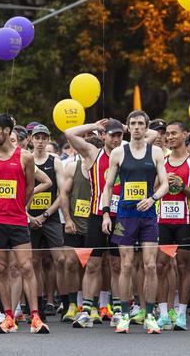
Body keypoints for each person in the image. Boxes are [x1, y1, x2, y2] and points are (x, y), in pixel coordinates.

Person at [0, 114, 49, 334]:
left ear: (7, 131)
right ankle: (8, 316)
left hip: (18, 219)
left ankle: (35, 317)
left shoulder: (25, 157)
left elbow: (29, 187)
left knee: (26, 267)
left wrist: (19, 206)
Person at [101, 110, 169, 334]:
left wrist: (152, 199)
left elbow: (165, 185)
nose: (137, 127)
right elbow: (109, 186)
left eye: (141, 123)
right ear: (128, 127)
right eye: (134, 124)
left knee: (150, 266)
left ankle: (150, 315)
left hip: (148, 215)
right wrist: (105, 214)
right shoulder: (119, 152)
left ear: (146, 127)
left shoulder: (156, 151)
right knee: (126, 265)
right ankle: (124, 314)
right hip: (125, 215)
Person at [65, 119, 128, 329]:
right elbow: (69, 133)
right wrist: (93, 124)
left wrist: (128, 127)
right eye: (112, 135)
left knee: (118, 265)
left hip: (121, 216)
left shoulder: (129, 154)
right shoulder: (93, 153)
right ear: (103, 136)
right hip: (97, 215)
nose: (117, 139)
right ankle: (86, 310)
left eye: (120, 135)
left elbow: (150, 136)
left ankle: (118, 310)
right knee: (92, 264)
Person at [155, 121, 190, 331]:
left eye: (174, 133)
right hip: (163, 222)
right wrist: (165, 183)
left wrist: (182, 187)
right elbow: (154, 189)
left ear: (185, 134)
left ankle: (182, 314)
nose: (170, 137)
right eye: (167, 134)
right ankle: (164, 313)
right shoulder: (161, 161)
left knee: (184, 266)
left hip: (186, 221)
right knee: (161, 266)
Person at [28, 124, 67, 322]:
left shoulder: (55, 161)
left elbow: (62, 193)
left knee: (59, 259)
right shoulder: (26, 160)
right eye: (37, 138)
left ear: (48, 139)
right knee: (33, 262)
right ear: (31, 140)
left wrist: (45, 214)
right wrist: (29, 216)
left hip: (50, 216)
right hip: (29, 216)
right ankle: (39, 305)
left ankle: (66, 303)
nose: (41, 141)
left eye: (44, 138)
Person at [60, 136, 98, 322]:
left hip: (95, 224)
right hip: (74, 223)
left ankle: (95, 305)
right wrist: (67, 219)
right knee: (70, 264)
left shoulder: (105, 169)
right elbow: (64, 194)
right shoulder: (72, 167)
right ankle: (73, 304)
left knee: (94, 266)